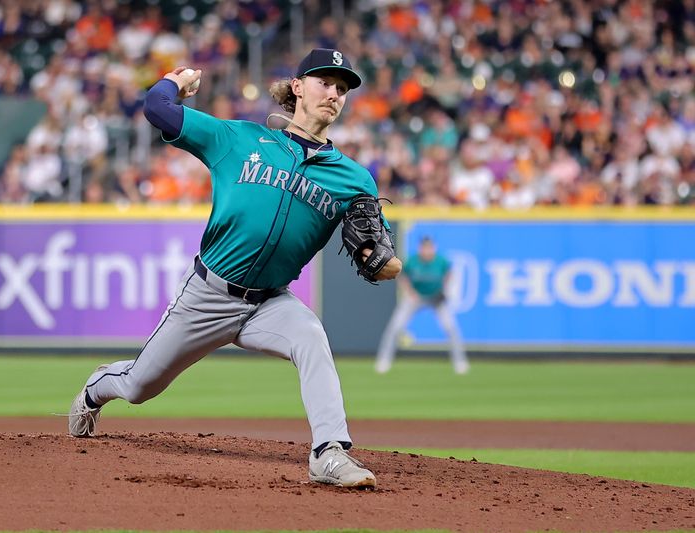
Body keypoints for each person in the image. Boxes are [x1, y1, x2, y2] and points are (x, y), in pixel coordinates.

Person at [67, 48, 402, 489]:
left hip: (270, 303)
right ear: (297, 88)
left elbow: (377, 258)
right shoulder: (237, 139)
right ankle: (96, 388)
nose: (334, 93)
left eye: (342, 88)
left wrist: (380, 264)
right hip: (207, 295)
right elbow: (157, 108)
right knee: (139, 386)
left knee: (311, 337)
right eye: (325, 82)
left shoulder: (354, 179)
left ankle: (329, 453)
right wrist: (175, 80)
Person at [375, 236, 469, 375]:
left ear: (433, 248)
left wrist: (446, 289)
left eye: (429, 247)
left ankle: (460, 362)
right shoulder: (413, 261)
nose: (427, 250)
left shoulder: (440, 261)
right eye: (424, 247)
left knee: (451, 328)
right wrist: (410, 292)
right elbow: (402, 276)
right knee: (395, 327)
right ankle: (383, 360)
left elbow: (450, 274)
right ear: (420, 248)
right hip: (416, 298)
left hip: (436, 298)